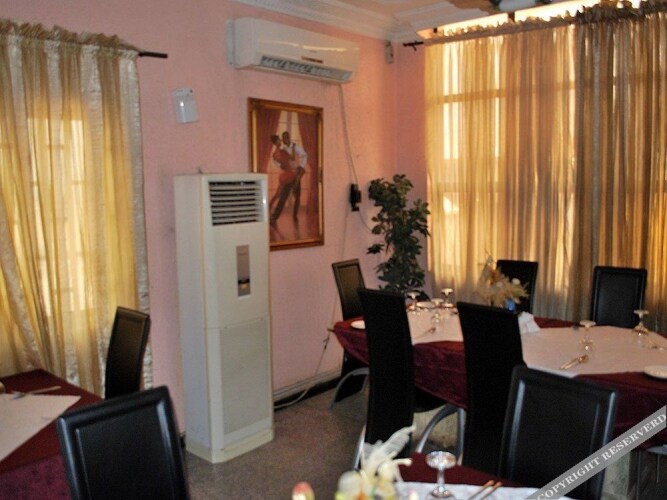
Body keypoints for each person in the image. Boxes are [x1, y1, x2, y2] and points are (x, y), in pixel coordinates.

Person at [269, 134, 296, 221]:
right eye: (279, 140)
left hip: (288, 174)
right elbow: (283, 163)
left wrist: (292, 148)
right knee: (280, 196)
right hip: (287, 175)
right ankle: (271, 214)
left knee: (278, 195)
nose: (280, 141)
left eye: (280, 140)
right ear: (276, 142)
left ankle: (271, 213)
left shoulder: (280, 152)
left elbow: (291, 159)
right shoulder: (278, 152)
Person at [281, 131, 308, 219]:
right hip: (288, 173)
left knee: (297, 195)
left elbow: (304, 155)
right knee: (284, 194)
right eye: (282, 138)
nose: (283, 140)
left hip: (296, 173)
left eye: (284, 138)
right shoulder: (283, 149)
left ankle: (295, 215)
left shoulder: (295, 147)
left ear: (287, 138)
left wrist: (301, 166)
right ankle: (276, 216)